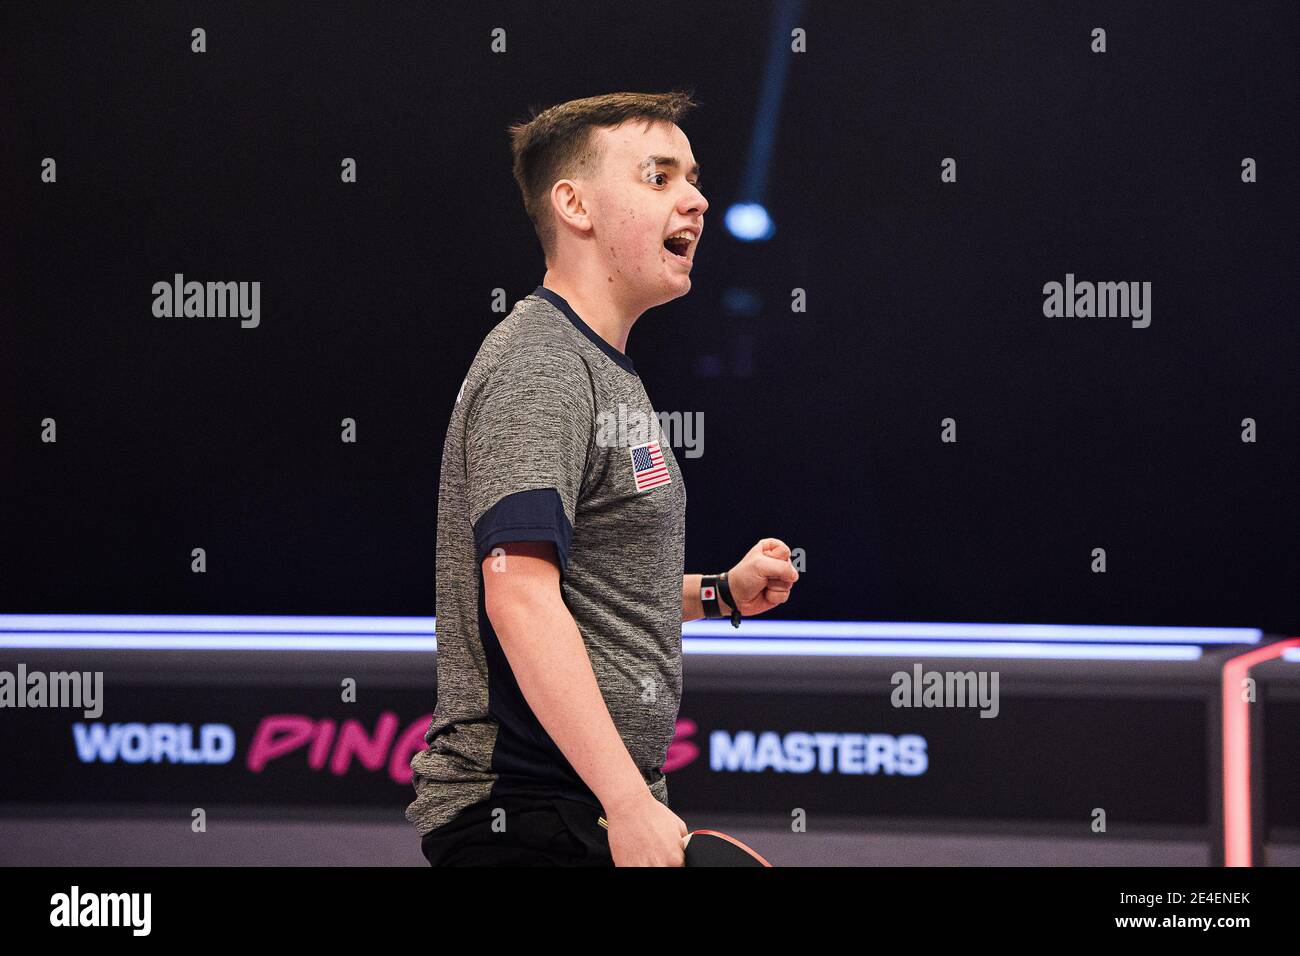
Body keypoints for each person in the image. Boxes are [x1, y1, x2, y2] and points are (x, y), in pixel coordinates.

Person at [405, 90, 800, 866]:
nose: (696, 198)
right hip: (525, 816)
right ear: (575, 205)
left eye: (692, 178)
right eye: (659, 177)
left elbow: (585, 586)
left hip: (577, 812)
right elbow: (517, 594)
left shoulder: (601, 368)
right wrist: (625, 803)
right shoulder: (541, 364)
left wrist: (719, 592)